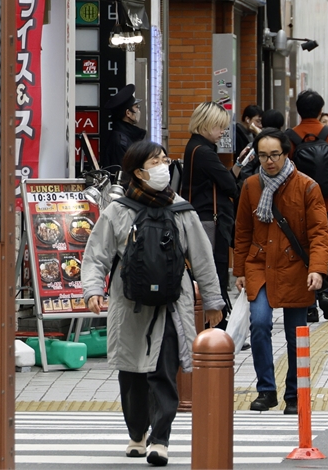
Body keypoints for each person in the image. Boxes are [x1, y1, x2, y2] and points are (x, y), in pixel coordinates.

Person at [81, 140, 224, 467]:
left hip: (172, 307)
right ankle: (137, 434)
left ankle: (160, 439)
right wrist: (92, 290)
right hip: (129, 304)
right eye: (155, 162)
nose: (163, 166)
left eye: (164, 159)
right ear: (138, 172)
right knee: (132, 377)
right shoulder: (117, 211)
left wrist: (213, 300)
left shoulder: (181, 210)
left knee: (163, 373)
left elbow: (202, 259)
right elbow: (96, 256)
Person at [234, 129, 328, 415]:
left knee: (296, 334)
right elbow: (242, 232)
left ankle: (294, 394)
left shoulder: (307, 187)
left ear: (286, 153)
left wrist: (317, 269)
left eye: (274, 155)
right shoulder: (250, 186)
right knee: (260, 324)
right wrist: (239, 269)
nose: (268, 161)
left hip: (296, 268)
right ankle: (266, 390)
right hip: (260, 265)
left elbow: (319, 233)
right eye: (262, 156)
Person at [289, 90, 328, 321]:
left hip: (297, 204)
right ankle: (325, 292)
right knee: (324, 247)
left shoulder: (290, 137)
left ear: (298, 110)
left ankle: (309, 304)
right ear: (320, 110)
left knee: (302, 250)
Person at [180, 102, 240, 318]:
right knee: (215, 272)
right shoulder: (204, 152)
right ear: (207, 125)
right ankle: (219, 326)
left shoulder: (194, 148)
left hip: (201, 217)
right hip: (210, 222)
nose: (222, 132)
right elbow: (230, 185)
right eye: (219, 127)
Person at [101, 84, 145, 171]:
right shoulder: (120, 142)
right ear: (128, 113)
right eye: (136, 107)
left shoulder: (127, 136)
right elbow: (123, 176)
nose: (138, 111)